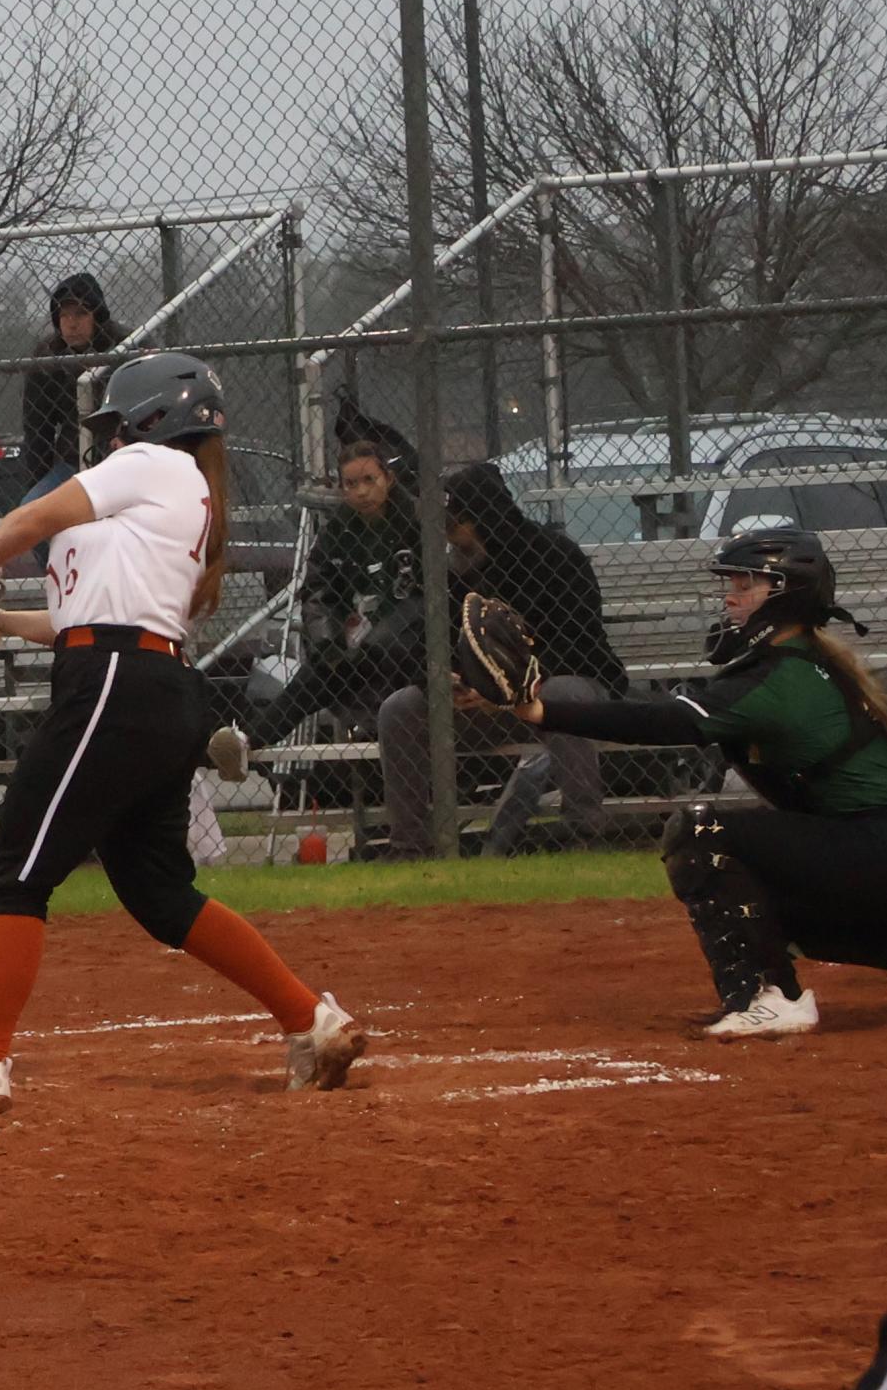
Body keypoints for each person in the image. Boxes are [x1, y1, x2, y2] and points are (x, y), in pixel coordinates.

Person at [0, 352, 366, 1119]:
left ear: (151, 421)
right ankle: (309, 1020)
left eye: (118, 425)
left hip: (114, 688)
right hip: (144, 686)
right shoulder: (167, 500)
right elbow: (83, 616)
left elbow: (30, 522)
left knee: (16, 872)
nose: (110, 441)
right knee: (158, 892)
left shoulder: (155, 463)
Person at [502, 527, 887, 1038]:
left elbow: (663, 722)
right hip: (868, 861)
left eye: (747, 585)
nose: (730, 597)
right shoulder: (798, 664)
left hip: (873, 857)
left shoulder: (781, 677)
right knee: (751, 874)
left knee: (701, 834)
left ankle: (770, 996)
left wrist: (542, 709)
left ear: (785, 595)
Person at [360, 461, 627, 858]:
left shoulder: (556, 556)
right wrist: (446, 681)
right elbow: (423, 644)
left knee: (564, 693)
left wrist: (509, 687)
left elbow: (580, 646)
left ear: (484, 519)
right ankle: (409, 846)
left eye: (456, 525)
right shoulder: (452, 572)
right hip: (481, 707)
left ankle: (583, 833)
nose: (451, 537)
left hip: (548, 696)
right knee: (399, 709)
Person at [207, 439, 424, 780]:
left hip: (407, 651)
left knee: (376, 670)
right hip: (355, 649)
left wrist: (375, 642)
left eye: (370, 480)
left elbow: (423, 602)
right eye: (351, 484)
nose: (362, 492)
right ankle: (244, 744)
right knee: (314, 677)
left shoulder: (415, 522)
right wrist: (328, 642)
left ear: (389, 479)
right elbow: (318, 591)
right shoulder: (339, 528)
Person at [19, 272, 127, 504]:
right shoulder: (48, 356)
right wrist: (38, 482)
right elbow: (38, 429)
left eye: (81, 313)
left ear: (97, 316)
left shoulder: (126, 346)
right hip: (72, 460)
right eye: (64, 315)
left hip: (123, 458)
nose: (72, 322)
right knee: (30, 508)